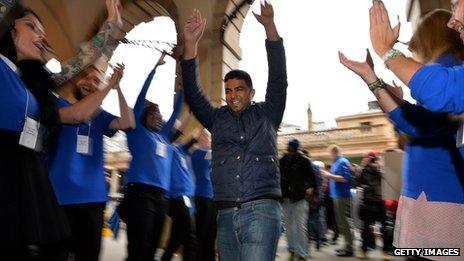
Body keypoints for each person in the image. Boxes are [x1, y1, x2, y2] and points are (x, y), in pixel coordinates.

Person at [341, 8, 464, 259]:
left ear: (428, 40)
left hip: (439, 201)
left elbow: (419, 122)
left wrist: (386, 54)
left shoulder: (447, 69)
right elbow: (418, 124)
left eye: (414, 48)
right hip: (430, 199)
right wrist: (374, 80)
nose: (412, 56)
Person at [181, 3, 287, 260]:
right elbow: (194, 96)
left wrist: (270, 27)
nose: (232, 95)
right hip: (226, 213)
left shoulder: (268, 113)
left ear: (251, 93)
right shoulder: (217, 118)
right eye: (228, 91)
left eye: (239, 89)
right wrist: (191, 45)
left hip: (261, 209)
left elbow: (278, 77)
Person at [0, 6, 71, 260]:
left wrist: (112, 26)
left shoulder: (27, 81)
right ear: (10, 28)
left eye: (44, 33)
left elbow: (76, 66)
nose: (41, 37)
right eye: (31, 26)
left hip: (29, 173)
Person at [115, 52, 183, 261]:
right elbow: (140, 97)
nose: (161, 119)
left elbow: (178, 106)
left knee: (153, 247)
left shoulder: (163, 136)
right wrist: (155, 68)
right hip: (140, 194)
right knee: (139, 246)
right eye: (155, 116)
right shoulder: (137, 131)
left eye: (161, 117)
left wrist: (182, 76)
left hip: (161, 197)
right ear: (144, 117)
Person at [279, 139, 317, 260]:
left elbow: (312, 178)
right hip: (285, 198)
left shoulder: (304, 161)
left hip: (300, 198)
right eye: (289, 150)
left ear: (297, 150)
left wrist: (310, 187)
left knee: (300, 226)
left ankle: (302, 253)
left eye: (292, 150)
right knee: (289, 227)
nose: (290, 152)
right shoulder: (282, 161)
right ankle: (292, 250)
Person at [321, 145, 353, 257]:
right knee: (341, 223)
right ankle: (347, 245)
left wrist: (328, 175)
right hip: (337, 195)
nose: (330, 156)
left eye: (331, 154)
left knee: (344, 222)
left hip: (342, 195)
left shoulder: (342, 162)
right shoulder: (337, 163)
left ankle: (349, 248)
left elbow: (345, 178)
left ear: (334, 152)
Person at [355, 151, 389, 259]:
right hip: (368, 202)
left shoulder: (381, 170)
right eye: (369, 158)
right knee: (366, 228)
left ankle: (386, 251)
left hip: (380, 201)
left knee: (384, 227)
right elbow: (357, 183)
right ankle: (363, 250)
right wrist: (363, 166)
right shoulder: (362, 170)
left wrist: (379, 167)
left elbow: (388, 181)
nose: (371, 160)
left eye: (373, 158)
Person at [190, 129, 217, 261]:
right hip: (202, 196)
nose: (207, 139)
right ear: (198, 139)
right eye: (204, 137)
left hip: (213, 198)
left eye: (209, 137)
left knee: (212, 232)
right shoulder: (197, 153)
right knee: (203, 231)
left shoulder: (212, 154)